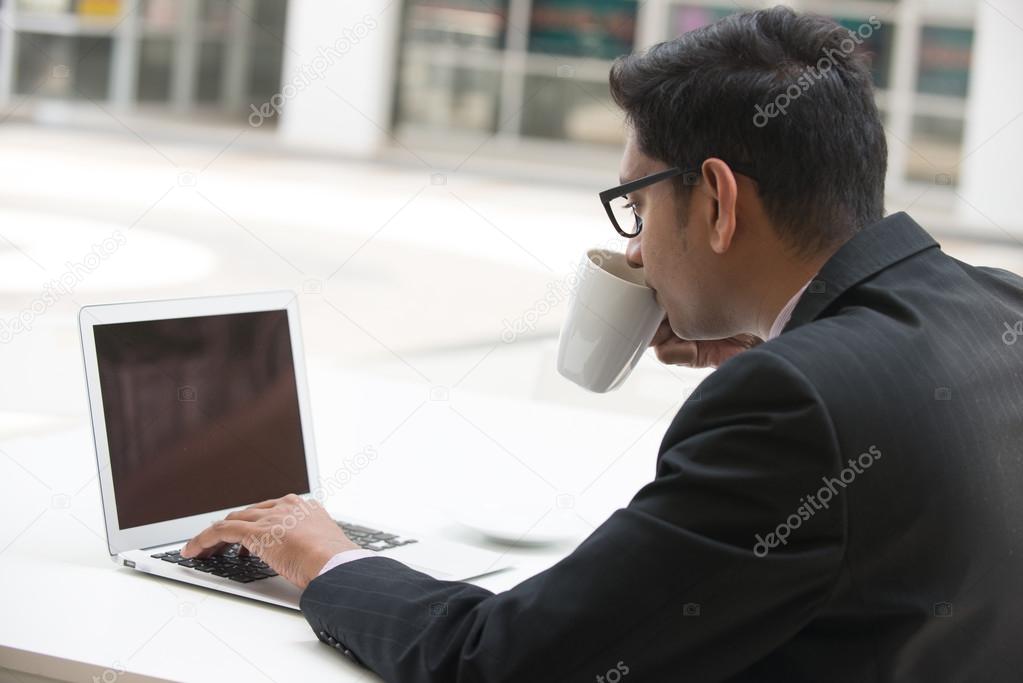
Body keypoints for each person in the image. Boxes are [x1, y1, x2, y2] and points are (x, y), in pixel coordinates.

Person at [181, 6, 1023, 681]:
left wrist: (327, 559)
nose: (632, 249)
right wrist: (783, 346)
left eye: (637, 205)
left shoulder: (793, 407)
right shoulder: (994, 303)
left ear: (718, 201)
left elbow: (504, 661)